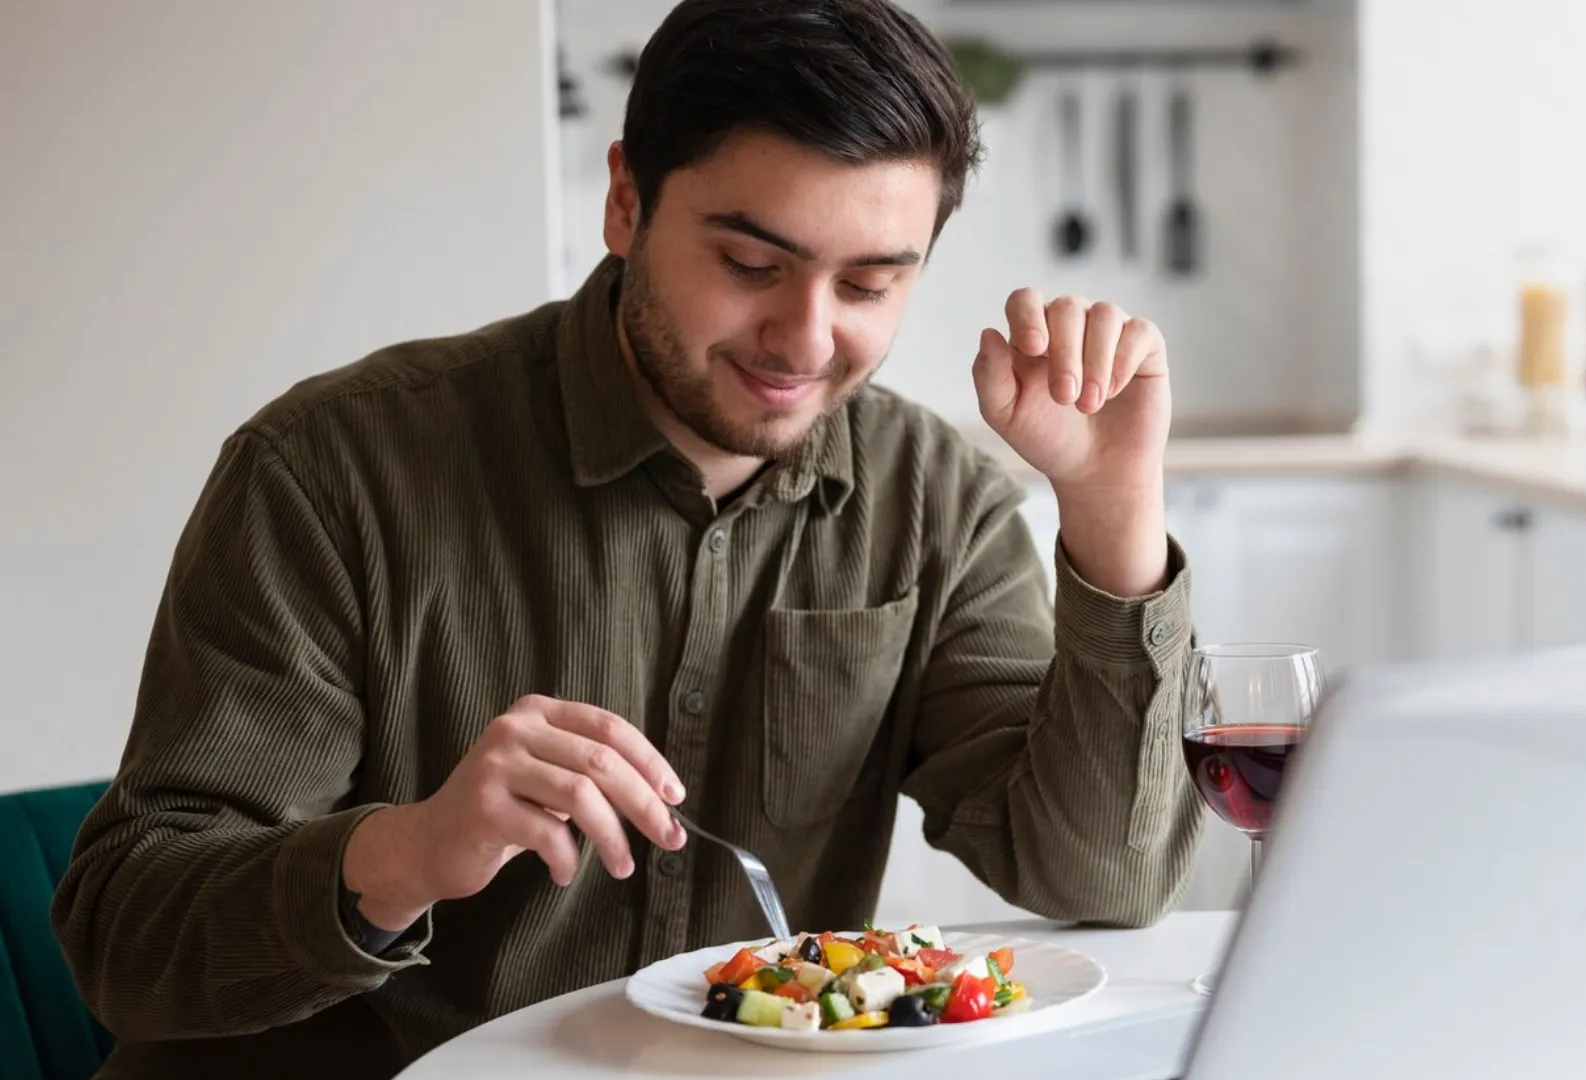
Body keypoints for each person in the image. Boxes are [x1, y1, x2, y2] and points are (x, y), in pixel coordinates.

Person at [52, 1, 1204, 1076]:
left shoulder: (937, 499)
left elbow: (1099, 877)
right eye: (751, 264)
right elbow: (123, 940)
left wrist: (1110, 514)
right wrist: (402, 854)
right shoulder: (333, 471)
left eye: (867, 283)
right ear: (624, 204)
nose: (805, 339)